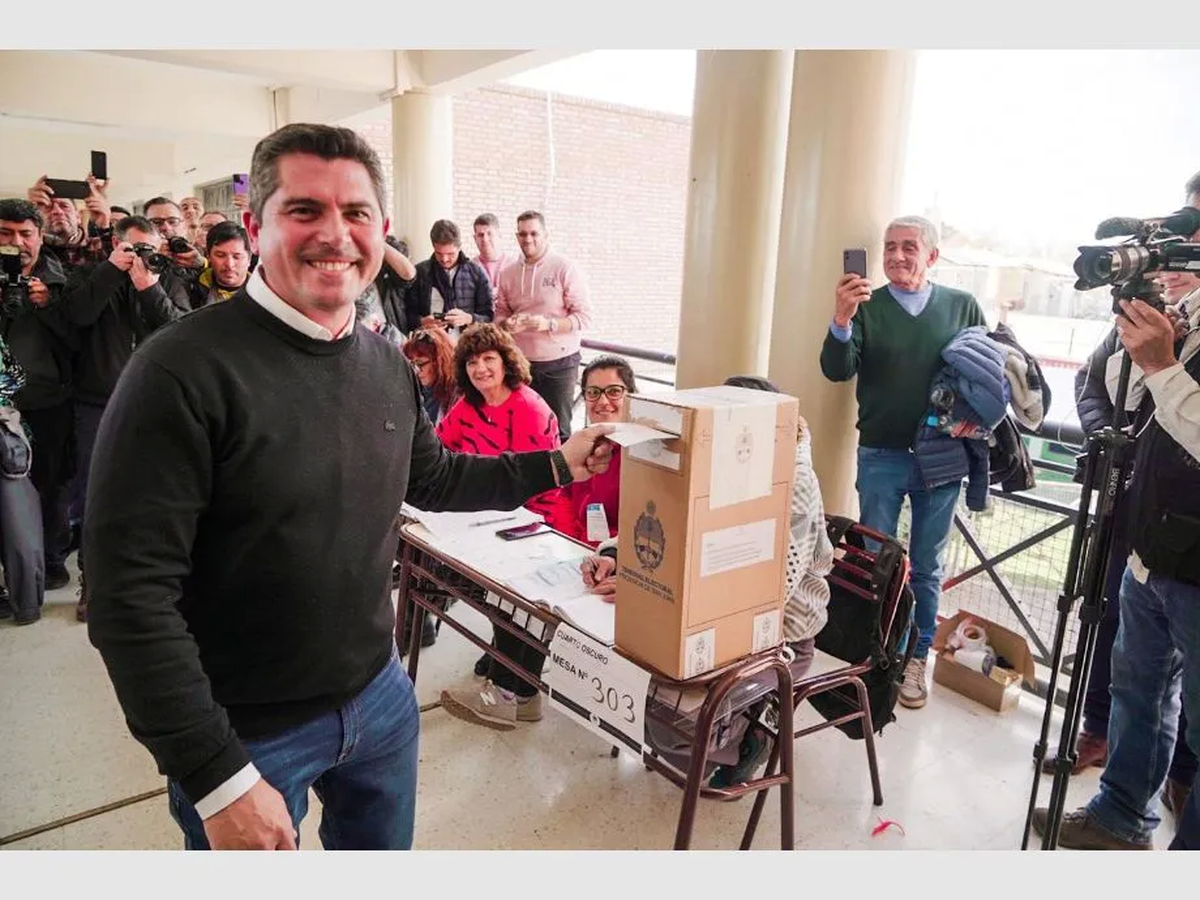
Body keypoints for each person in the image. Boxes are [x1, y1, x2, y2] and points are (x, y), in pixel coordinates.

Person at [84, 122, 613, 852]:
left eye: (356, 213)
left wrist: (556, 463)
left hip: (380, 697)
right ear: (255, 226)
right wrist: (215, 776)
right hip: (247, 734)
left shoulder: (384, 363)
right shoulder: (179, 371)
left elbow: (434, 476)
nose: (335, 235)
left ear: (381, 231)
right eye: (305, 210)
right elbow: (127, 596)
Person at [1032, 198, 1200, 854]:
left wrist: (1162, 364)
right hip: (1150, 547)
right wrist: (1151, 341)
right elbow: (1129, 403)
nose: (1185, 245)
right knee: (1139, 693)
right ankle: (1120, 816)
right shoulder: (1185, 312)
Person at [582, 375, 834, 787]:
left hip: (779, 637)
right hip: (712, 621)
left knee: (675, 715)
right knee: (629, 676)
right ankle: (716, 739)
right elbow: (669, 518)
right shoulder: (722, 460)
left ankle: (748, 739)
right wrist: (615, 556)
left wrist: (656, 592)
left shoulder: (794, 483)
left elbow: (770, 590)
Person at [820, 215, 986, 712]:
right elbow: (836, 370)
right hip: (881, 454)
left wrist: (974, 423)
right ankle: (871, 656)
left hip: (942, 457)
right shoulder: (867, 307)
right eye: (889, 246)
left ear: (931, 256)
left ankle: (914, 657)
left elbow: (986, 374)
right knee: (873, 563)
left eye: (909, 247)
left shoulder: (962, 305)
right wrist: (842, 319)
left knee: (927, 568)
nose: (896, 255)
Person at [436, 323, 574, 730]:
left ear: (506, 362)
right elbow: (439, 449)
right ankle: (515, 679)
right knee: (473, 590)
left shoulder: (528, 408)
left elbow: (540, 484)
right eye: (472, 362)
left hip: (533, 523)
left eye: (488, 359)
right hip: (483, 519)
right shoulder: (469, 405)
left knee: (512, 603)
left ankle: (512, 690)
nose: (480, 369)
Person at [62, 214, 184, 622]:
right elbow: (77, 316)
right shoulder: (89, 275)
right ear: (116, 244)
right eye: (135, 248)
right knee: (95, 496)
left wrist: (149, 288)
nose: (143, 256)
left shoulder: (165, 277)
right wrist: (111, 272)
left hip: (156, 402)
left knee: (157, 496)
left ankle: (151, 582)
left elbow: (181, 331)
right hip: (96, 402)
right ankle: (93, 582)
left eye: (150, 248)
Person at [0, 198, 78, 591]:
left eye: (25, 234)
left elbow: (81, 340)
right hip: (3, 404)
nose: (17, 243)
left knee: (53, 484)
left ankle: (51, 559)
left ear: (40, 236)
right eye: (5, 234)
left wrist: (50, 306)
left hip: (50, 399)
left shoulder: (64, 279)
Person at [494, 210, 592, 443]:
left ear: (545, 235)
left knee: (558, 430)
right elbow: (499, 314)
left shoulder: (564, 267)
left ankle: (562, 469)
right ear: (516, 236)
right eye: (522, 234)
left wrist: (548, 324)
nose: (528, 239)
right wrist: (506, 324)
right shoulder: (507, 273)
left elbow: (585, 317)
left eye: (534, 233)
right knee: (521, 427)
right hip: (520, 364)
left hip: (559, 364)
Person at [563, 355, 636, 546]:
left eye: (614, 391)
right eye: (593, 392)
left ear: (632, 396)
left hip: (614, 554)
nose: (603, 401)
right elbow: (562, 500)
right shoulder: (578, 443)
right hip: (572, 546)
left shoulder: (640, 456)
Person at [0, 330, 46, 626]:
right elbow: (16, 376)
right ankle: (27, 604)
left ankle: (26, 604)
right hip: (6, 435)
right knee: (19, 521)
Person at [405, 219, 493, 339]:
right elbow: (407, 314)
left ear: (459, 247)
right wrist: (422, 322)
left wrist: (469, 319)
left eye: (450, 254)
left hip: (467, 344)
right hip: (430, 342)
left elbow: (489, 317)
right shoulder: (420, 272)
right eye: (439, 253)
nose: (444, 259)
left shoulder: (476, 273)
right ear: (433, 246)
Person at [188, 222, 253, 309]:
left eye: (236, 257)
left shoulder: (263, 294)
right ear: (208, 256)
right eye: (220, 256)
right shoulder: (192, 289)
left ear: (249, 259)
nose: (229, 264)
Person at [402, 327, 459, 425]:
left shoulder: (458, 394)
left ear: (439, 362)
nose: (416, 371)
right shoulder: (419, 390)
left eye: (420, 364)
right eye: (412, 364)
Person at [471, 213, 520, 292]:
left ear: (499, 235)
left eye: (489, 234)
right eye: (480, 235)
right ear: (475, 238)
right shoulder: (469, 269)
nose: (485, 239)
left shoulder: (514, 265)